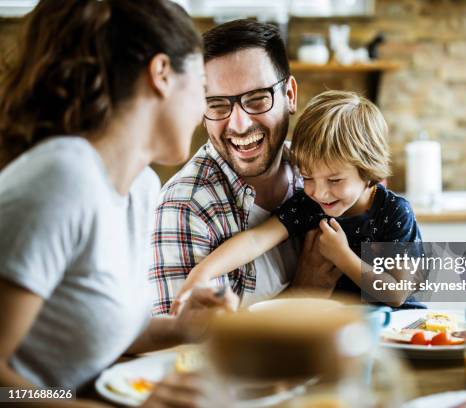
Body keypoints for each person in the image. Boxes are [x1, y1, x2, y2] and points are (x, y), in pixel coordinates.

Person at [0, 0, 237, 405]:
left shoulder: (141, 188)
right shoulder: (62, 178)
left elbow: (94, 327)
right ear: (161, 74)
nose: (203, 111)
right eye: (201, 88)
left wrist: (183, 328)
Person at [150, 19, 341, 314]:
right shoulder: (185, 206)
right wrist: (306, 291)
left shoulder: (326, 175)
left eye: (257, 99)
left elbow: (413, 285)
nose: (239, 124)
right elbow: (187, 352)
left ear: (289, 95)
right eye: (217, 105)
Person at [172, 91, 423, 311]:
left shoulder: (394, 212)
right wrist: (201, 273)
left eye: (334, 180)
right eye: (308, 177)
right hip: (342, 328)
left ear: (369, 171)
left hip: (399, 330)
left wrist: (342, 255)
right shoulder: (309, 205)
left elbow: (396, 294)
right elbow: (256, 239)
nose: (319, 192)